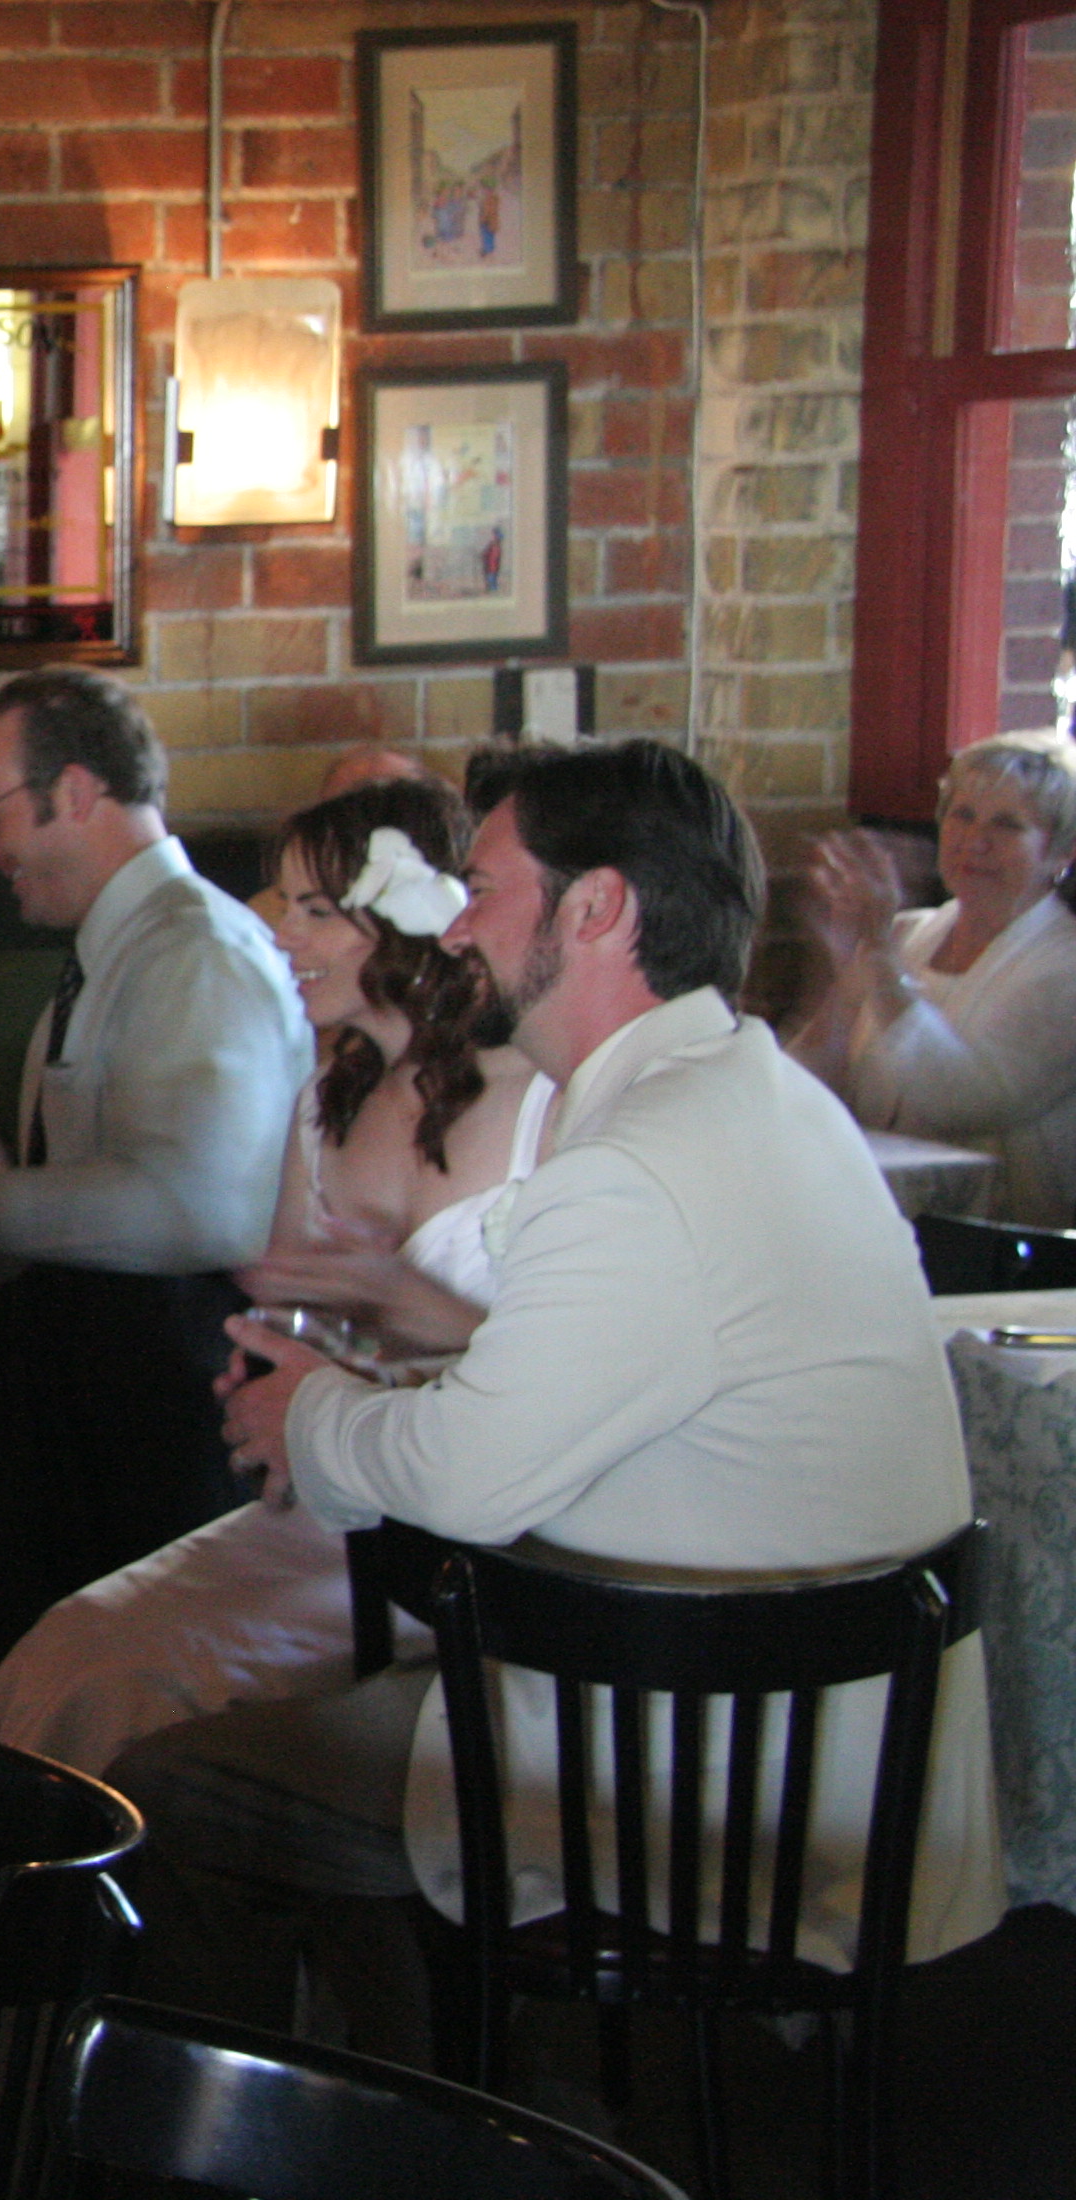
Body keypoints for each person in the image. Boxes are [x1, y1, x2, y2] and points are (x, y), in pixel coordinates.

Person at [116, 738, 1002, 2051]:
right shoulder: (752, 1092)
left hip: (705, 1773)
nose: (453, 925)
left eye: (482, 887)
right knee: (283, 1760)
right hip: (816, 1734)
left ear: (597, 909)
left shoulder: (638, 1163)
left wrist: (307, 1414)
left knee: (170, 1790)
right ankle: (444, 2101)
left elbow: (470, 1478)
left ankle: (364, 2122)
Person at [0, 778, 549, 2025]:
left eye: (316, 908)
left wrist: (398, 1313)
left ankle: (155, 2036)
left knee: (134, 1683)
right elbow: (278, 1289)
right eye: (280, 898)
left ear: (408, 927)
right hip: (325, 1502)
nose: (275, 927)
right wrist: (278, 1362)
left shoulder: (529, 1098)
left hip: (466, 1532)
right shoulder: (328, 1088)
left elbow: (554, 1372)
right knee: (68, 1647)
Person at [0, 666, 312, 1719]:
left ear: (75, 792)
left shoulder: (197, 954)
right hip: (93, 1388)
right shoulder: (118, 955)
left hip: (169, 1403)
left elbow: (202, 1210)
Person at [791, 726, 1076, 1223]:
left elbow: (958, 1100)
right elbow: (804, 1083)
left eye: (1007, 825)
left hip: (1003, 1241)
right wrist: (838, 970)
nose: (974, 842)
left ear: (1061, 855)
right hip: (876, 1218)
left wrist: (878, 957)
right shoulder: (907, 934)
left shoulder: (1063, 966)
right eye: (962, 815)